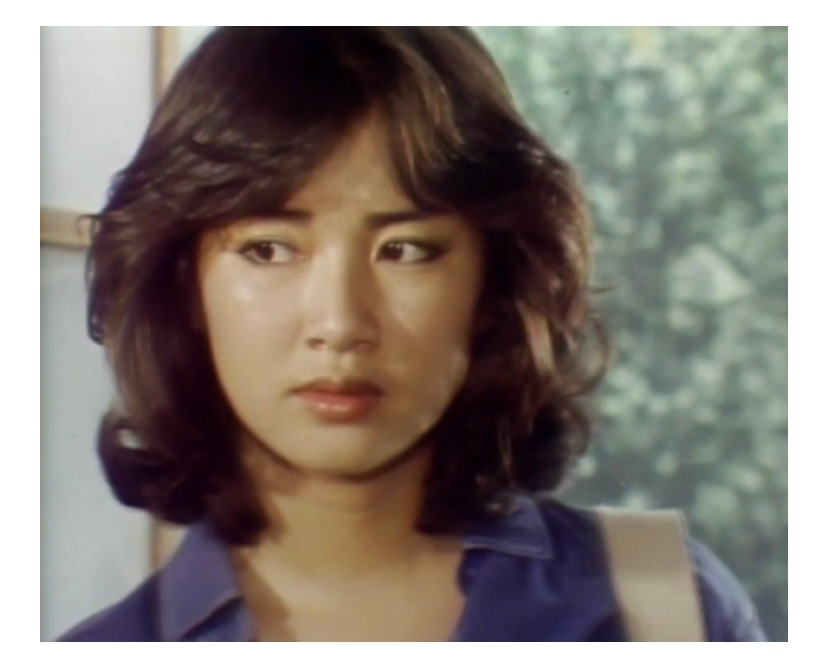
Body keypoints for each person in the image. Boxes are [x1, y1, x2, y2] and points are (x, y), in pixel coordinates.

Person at [60, 27, 765, 641]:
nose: (340, 324)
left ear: (491, 283)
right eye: (269, 249)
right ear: (186, 285)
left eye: (405, 250)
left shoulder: (663, 610)